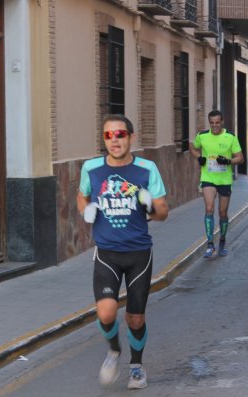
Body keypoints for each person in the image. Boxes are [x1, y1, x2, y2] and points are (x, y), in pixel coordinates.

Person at [77, 114, 169, 390]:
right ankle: (114, 351)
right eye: (108, 136)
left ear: (131, 137)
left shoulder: (146, 169)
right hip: (107, 252)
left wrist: (149, 203)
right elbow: (81, 195)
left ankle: (137, 366)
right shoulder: (91, 168)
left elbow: (163, 212)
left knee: (135, 317)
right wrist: (86, 210)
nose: (114, 140)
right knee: (106, 313)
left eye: (120, 134)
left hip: (139, 253)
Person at [190, 109, 244, 258]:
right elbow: (192, 148)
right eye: (212, 123)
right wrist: (198, 157)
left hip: (225, 180)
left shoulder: (230, 137)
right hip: (208, 178)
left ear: (222, 122)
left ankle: (222, 241)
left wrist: (228, 161)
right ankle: (210, 244)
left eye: (217, 123)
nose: (214, 126)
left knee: (222, 213)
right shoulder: (202, 136)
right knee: (209, 208)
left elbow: (240, 158)